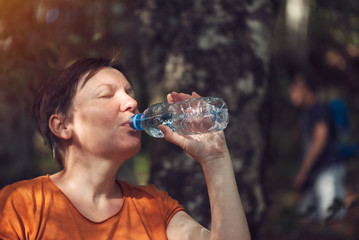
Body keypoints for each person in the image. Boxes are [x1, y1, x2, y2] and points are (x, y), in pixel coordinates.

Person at [0, 57, 251, 240]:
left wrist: (216, 161)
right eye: (106, 95)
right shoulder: (20, 206)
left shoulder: (154, 207)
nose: (132, 102)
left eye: (130, 93)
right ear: (63, 125)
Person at [288, 70, 346, 221]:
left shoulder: (318, 110)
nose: (290, 91)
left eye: (294, 87)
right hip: (318, 172)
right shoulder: (310, 112)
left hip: (328, 171)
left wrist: (303, 171)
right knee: (307, 216)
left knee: (332, 218)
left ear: (304, 87)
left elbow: (320, 138)